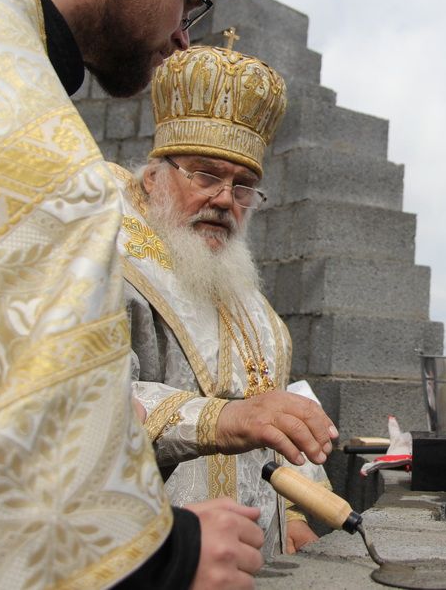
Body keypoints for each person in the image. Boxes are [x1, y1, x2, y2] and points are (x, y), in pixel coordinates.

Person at [0, 0, 272, 587]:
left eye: (243, 185)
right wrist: (174, 555)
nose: (182, 36)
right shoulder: (43, 156)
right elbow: (15, 496)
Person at [113, 39, 338, 558]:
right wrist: (222, 419)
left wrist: (297, 511)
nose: (223, 199)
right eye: (206, 174)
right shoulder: (107, 256)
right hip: (156, 558)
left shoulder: (245, 295)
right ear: (156, 174)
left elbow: (276, 400)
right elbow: (90, 396)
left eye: (243, 187)